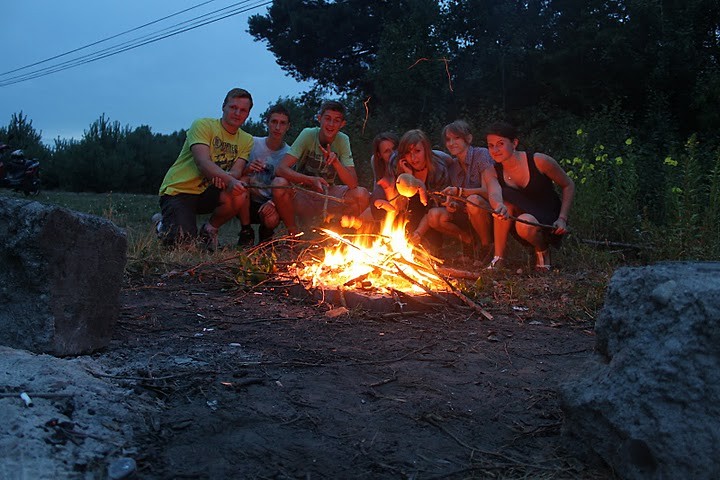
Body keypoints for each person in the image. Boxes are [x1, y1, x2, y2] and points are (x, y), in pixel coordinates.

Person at [157, 88, 254, 248]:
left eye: (243, 110)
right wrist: (227, 178)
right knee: (184, 246)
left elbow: (237, 170)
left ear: (247, 114)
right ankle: (162, 224)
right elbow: (202, 162)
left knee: (239, 194)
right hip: (180, 191)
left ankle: (209, 230)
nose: (237, 113)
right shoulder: (202, 125)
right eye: (233, 107)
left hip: (209, 191)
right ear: (223, 106)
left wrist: (226, 177)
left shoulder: (247, 139)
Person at [485, 122, 574, 270]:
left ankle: (543, 250)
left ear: (514, 143)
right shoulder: (491, 171)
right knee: (505, 202)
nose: (495, 150)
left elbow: (568, 184)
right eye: (490, 145)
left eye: (500, 144)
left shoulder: (539, 161)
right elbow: (494, 193)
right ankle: (498, 258)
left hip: (547, 218)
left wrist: (562, 218)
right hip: (517, 218)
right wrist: (498, 206)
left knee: (525, 222)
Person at [272, 100, 369, 235]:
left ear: (342, 124)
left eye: (336, 121)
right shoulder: (308, 134)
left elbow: (353, 183)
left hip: (327, 194)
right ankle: (293, 234)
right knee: (278, 183)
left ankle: (337, 233)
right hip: (302, 193)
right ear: (319, 119)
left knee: (361, 194)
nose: (331, 124)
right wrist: (310, 180)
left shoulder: (343, 140)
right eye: (327, 119)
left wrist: (336, 162)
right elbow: (281, 169)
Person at [425, 120, 507, 263]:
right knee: (434, 216)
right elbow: (458, 198)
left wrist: (459, 191)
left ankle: (487, 246)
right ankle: (469, 241)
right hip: (468, 214)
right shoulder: (454, 166)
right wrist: (451, 203)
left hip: (492, 212)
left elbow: (487, 191)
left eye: (456, 138)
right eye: (448, 139)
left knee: (474, 200)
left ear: (468, 139)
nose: (451, 143)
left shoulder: (482, 155)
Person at [238, 104, 292, 245]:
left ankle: (267, 234)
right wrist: (248, 168)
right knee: (243, 181)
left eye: (282, 123)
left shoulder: (290, 153)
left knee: (271, 217)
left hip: (271, 202)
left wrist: (273, 202)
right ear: (267, 122)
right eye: (274, 122)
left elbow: (290, 186)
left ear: (288, 127)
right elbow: (237, 173)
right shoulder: (253, 143)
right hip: (248, 200)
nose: (277, 127)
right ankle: (246, 232)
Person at [392, 129, 452, 252]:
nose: (413, 158)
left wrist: (418, 233)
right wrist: (409, 177)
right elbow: (397, 201)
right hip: (408, 210)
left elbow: (433, 207)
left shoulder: (438, 170)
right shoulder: (397, 164)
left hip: (429, 215)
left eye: (417, 151)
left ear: (426, 150)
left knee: (430, 250)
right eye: (408, 153)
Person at [360, 131, 399, 223]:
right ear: (379, 155)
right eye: (387, 151)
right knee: (361, 220)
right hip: (386, 201)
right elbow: (377, 186)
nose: (393, 154)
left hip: (401, 201)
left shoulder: (404, 161)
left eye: (394, 149)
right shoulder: (376, 162)